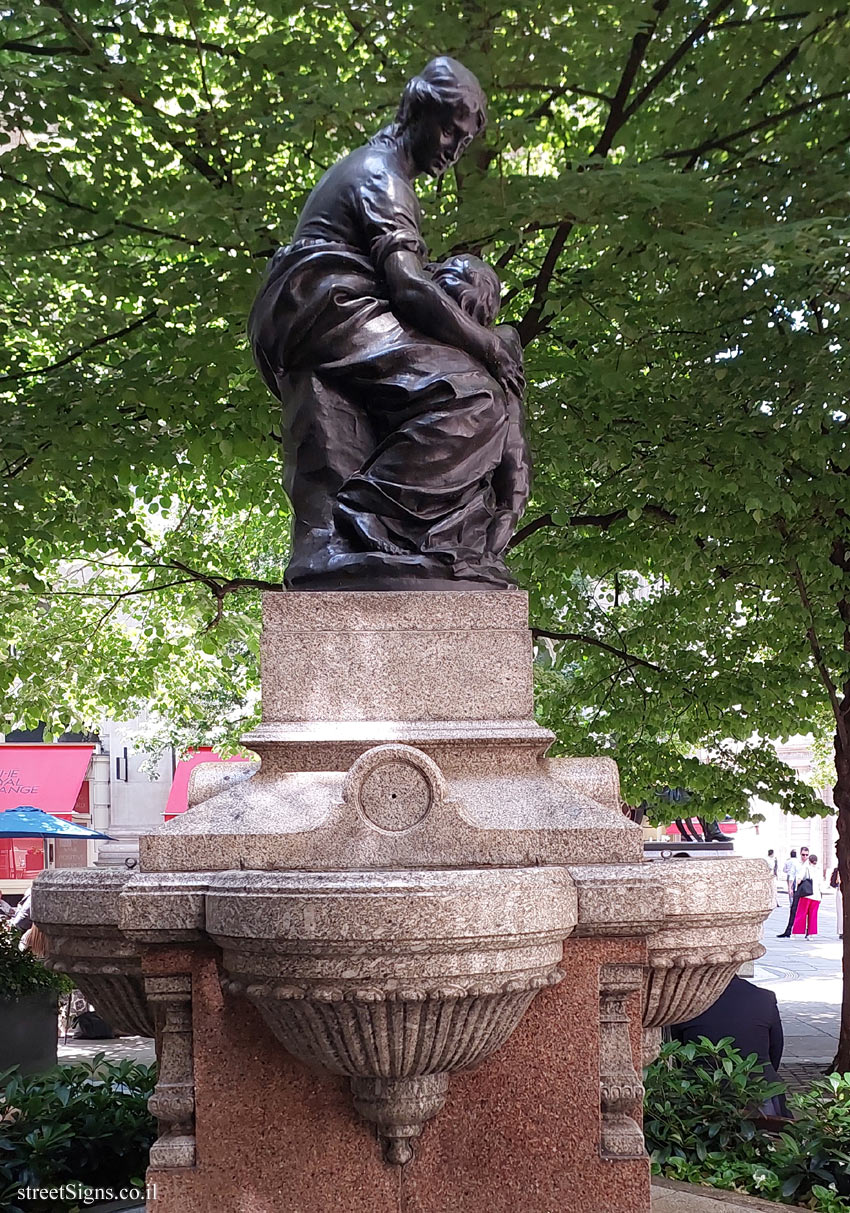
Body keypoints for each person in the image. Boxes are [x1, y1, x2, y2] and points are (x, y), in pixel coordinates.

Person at [248, 57, 527, 591]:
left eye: (463, 141)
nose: (452, 147)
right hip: (327, 307)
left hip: (322, 307)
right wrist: (489, 345)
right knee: (471, 397)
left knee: (475, 389)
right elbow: (408, 286)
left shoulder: (381, 170)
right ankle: (365, 518)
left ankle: (395, 527)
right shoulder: (382, 175)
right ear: (415, 113)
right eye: (447, 129)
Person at [428, 253, 529, 558]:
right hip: (492, 455)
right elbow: (516, 457)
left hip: (492, 446)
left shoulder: (500, 341)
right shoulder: (500, 341)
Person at [671, 976, 789, 1117]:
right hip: (759, 1091)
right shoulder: (764, 998)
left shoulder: (685, 1002)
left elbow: (680, 1055)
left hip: (702, 1096)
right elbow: (775, 1049)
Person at [777, 845, 809, 937]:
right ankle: (788, 930)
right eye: (803, 855)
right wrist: (790, 888)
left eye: (806, 855)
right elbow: (791, 875)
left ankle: (808, 931)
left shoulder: (809, 864)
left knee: (807, 910)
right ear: (800, 854)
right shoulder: (796, 863)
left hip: (808, 888)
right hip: (798, 888)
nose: (805, 857)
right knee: (794, 909)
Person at [791, 853, 822, 938]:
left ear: (809, 860)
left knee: (801, 913)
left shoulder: (806, 867)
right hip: (817, 895)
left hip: (807, 894)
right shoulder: (819, 869)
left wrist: (795, 888)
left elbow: (799, 878)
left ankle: (795, 932)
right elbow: (820, 883)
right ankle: (811, 934)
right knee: (813, 915)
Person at [830, 855, 843, 940]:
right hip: (841, 890)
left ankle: (841, 931)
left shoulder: (838, 869)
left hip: (840, 890)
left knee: (841, 912)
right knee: (840, 912)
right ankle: (841, 931)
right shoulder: (838, 870)